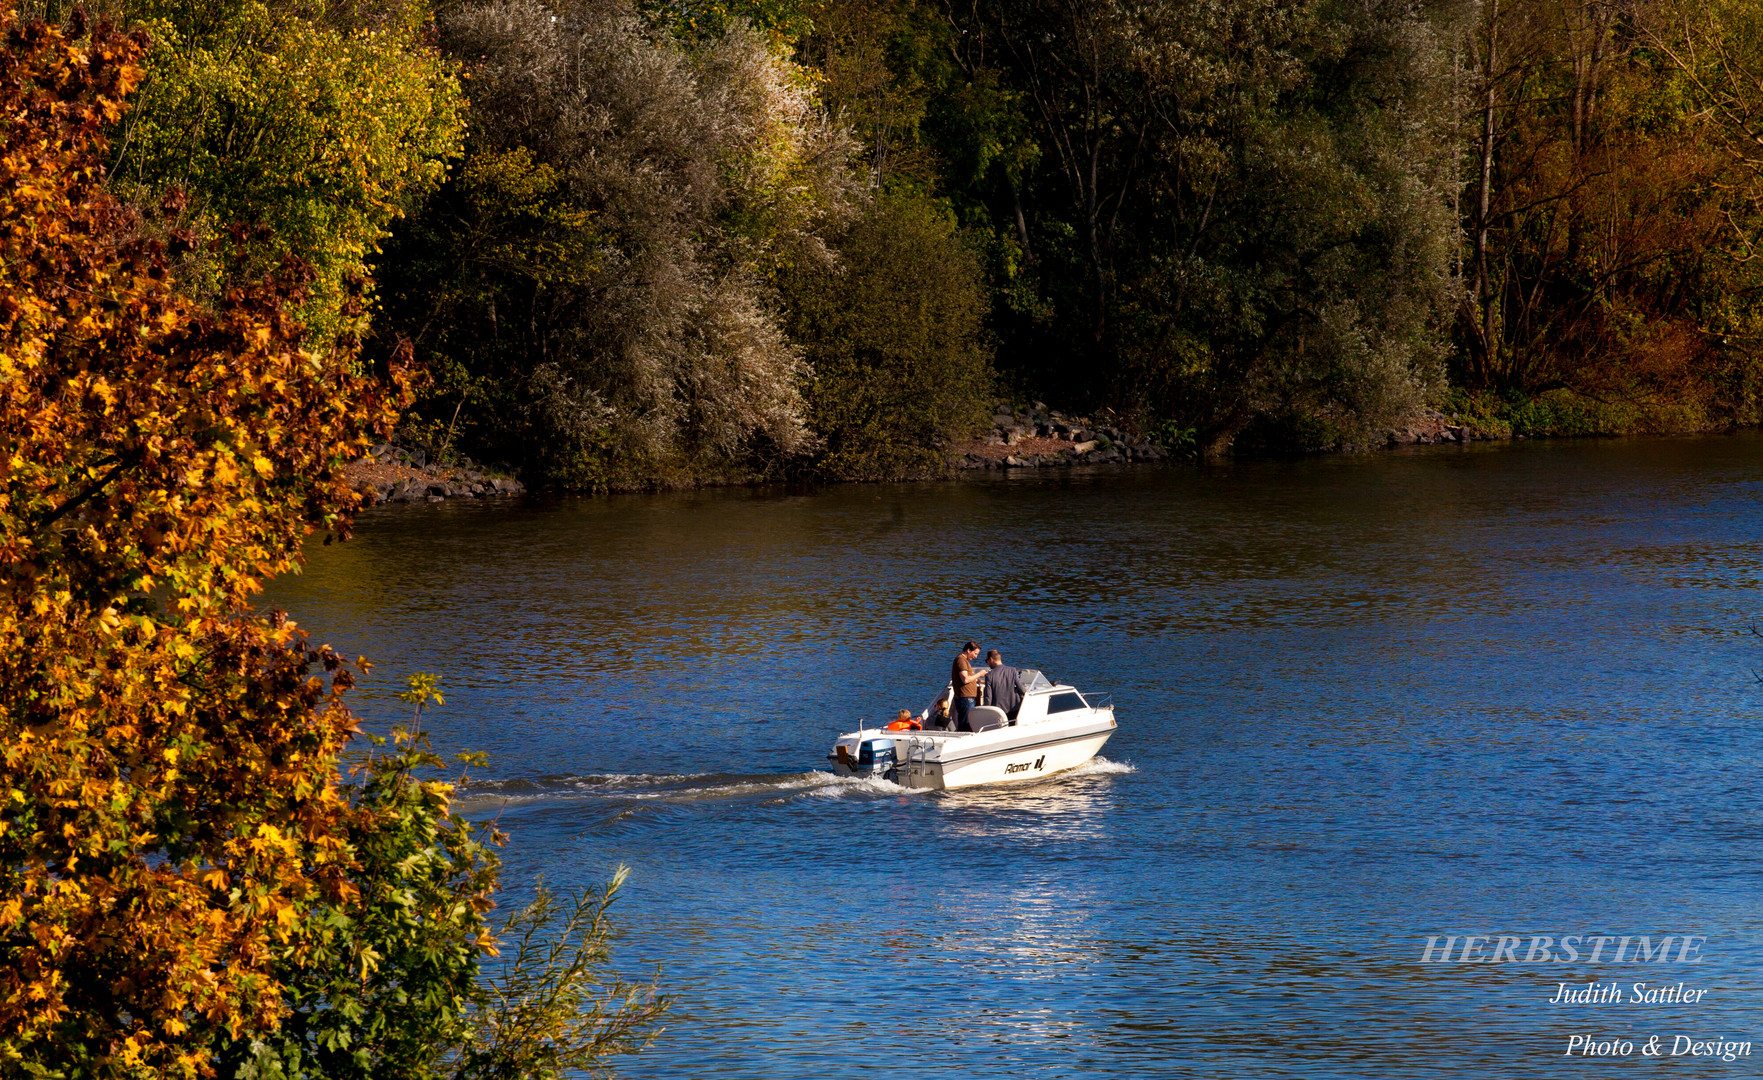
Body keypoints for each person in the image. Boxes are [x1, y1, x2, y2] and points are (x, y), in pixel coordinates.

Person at [982, 649, 1024, 720]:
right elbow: (1022, 690)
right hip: (1014, 709)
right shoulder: (1013, 671)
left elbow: (988, 698)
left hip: (998, 712)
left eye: (987, 661)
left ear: (991, 659)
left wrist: (985, 712)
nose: (987, 664)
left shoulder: (989, 676)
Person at [950, 641, 983, 732]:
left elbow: (969, 678)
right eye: (975, 653)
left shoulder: (963, 661)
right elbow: (965, 679)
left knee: (966, 722)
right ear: (968, 650)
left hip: (966, 698)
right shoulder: (961, 660)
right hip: (966, 699)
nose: (976, 656)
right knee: (966, 724)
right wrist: (979, 674)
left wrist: (981, 680)